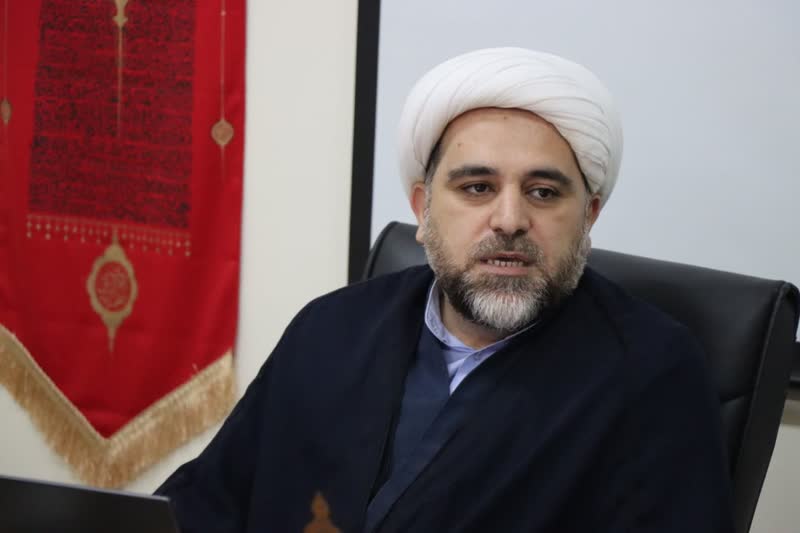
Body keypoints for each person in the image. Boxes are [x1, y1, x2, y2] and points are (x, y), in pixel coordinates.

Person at [157, 47, 734, 532]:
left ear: (589, 215)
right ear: (422, 208)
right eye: (477, 187)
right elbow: (205, 505)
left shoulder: (650, 374)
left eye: (542, 192)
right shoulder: (332, 328)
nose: (509, 220)